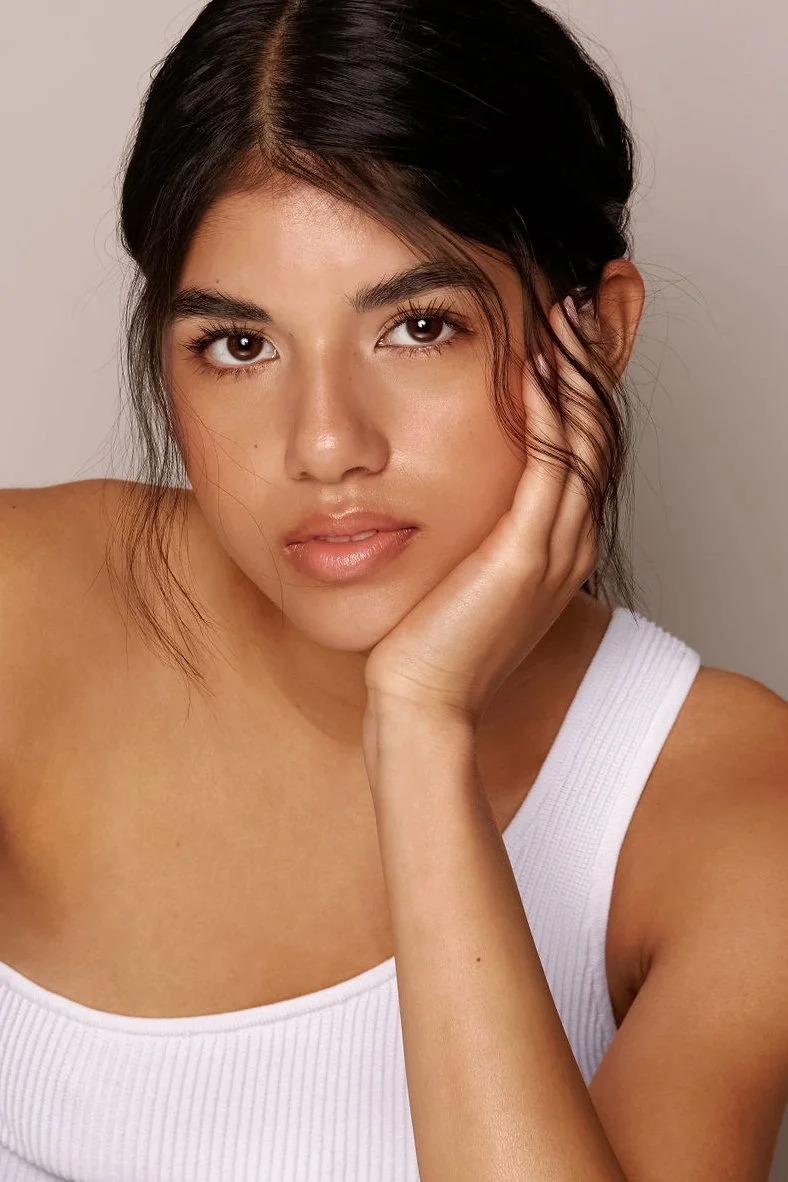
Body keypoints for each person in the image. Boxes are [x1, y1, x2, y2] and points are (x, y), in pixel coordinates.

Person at [0, 0, 786, 1179]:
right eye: (238, 345)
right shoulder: (24, 605)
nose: (323, 445)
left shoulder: (726, 804)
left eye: (417, 327)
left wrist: (418, 732)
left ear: (599, 335)